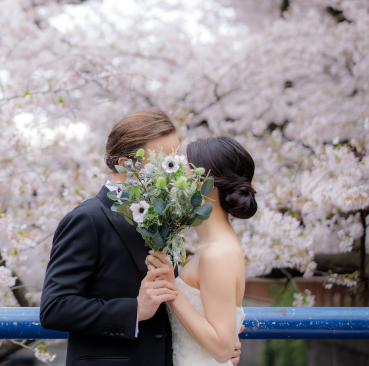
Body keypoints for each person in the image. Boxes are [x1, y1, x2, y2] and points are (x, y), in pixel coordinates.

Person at [40, 109, 242, 366]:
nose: (177, 167)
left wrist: (215, 344)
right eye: (163, 160)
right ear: (126, 164)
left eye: (176, 156)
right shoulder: (87, 219)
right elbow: (54, 308)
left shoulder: (167, 213)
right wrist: (134, 310)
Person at [148, 135, 256, 366]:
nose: (174, 174)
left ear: (205, 181)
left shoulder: (219, 253)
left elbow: (222, 347)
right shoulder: (211, 246)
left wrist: (172, 288)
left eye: (182, 167)